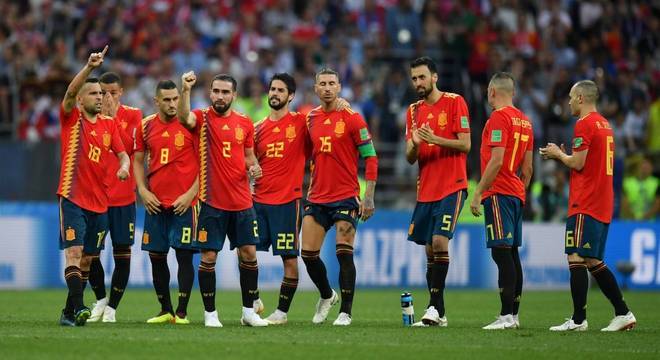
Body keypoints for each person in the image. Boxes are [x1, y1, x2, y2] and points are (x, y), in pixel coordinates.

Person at [540, 80, 636, 332]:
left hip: (586, 200)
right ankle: (623, 312)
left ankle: (578, 319)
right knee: (592, 260)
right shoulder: (605, 124)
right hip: (602, 200)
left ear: (581, 98)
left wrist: (558, 155)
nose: (569, 101)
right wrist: (567, 157)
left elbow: (579, 163)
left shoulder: (584, 123)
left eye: (571, 97)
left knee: (575, 256)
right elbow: (588, 162)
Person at [178, 71, 268, 327]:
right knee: (208, 257)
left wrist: (254, 167)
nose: (219, 96)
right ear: (210, 93)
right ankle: (210, 314)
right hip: (212, 203)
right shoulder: (202, 118)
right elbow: (183, 117)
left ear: (234, 95)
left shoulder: (245, 122)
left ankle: (249, 313)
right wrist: (185, 89)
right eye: (215, 91)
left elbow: (249, 156)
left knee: (249, 253)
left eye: (225, 92)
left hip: (242, 202)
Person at [57, 46, 130, 326]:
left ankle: (68, 312)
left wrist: (123, 167)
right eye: (94, 94)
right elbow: (69, 93)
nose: (100, 98)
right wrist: (89, 67)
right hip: (73, 197)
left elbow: (123, 155)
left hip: (100, 202)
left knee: (87, 260)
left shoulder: (109, 126)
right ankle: (78, 308)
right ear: (80, 100)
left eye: (102, 93)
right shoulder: (71, 119)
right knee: (74, 254)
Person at [302, 68, 378, 326]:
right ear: (315, 88)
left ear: (339, 87)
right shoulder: (310, 118)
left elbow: (371, 157)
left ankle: (345, 312)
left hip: (346, 196)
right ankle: (327, 295)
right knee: (308, 254)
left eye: (331, 83)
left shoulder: (353, 118)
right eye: (322, 83)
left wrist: (368, 196)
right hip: (317, 197)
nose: (326, 88)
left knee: (344, 254)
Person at [405, 56, 471, 327]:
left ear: (435, 77)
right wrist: (417, 143)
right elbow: (409, 156)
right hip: (426, 190)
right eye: (414, 78)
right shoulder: (412, 111)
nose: (418, 83)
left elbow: (465, 144)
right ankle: (439, 313)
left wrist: (435, 139)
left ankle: (433, 307)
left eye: (422, 77)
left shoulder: (455, 102)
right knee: (430, 251)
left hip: (452, 185)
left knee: (440, 242)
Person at [470, 72, 533, 330]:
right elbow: (527, 170)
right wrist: (519, 190)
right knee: (512, 254)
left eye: (488, 91)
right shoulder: (526, 122)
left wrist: (478, 192)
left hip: (498, 192)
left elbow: (496, 160)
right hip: (516, 193)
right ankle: (513, 315)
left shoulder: (498, 118)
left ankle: (506, 315)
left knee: (501, 253)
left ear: (493, 92)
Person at [133, 80, 199, 325]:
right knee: (156, 256)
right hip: (155, 203)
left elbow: (206, 164)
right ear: (156, 101)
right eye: (168, 100)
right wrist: (142, 190)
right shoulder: (145, 126)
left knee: (184, 255)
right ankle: (165, 309)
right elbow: (138, 161)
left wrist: (191, 194)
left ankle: (182, 312)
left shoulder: (191, 124)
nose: (173, 104)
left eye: (176, 99)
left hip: (185, 203)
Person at [251, 73, 306, 325]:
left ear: (291, 96)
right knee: (246, 251)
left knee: (290, 261)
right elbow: (245, 158)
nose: (274, 93)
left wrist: (341, 104)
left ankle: (281, 313)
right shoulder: (257, 129)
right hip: (258, 201)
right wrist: (250, 167)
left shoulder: (303, 123)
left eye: (280, 90)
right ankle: (253, 300)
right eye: (272, 89)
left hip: (287, 202)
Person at [87, 72, 142, 323]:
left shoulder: (134, 116)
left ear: (121, 92)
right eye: (103, 91)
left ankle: (112, 308)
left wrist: (112, 120)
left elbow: (133, 153)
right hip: (96, 198)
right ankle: (100, 299)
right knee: (91, 253)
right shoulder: (89, 119)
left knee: (122, 253)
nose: (107, 96)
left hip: (123, 199)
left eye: (112, 92)